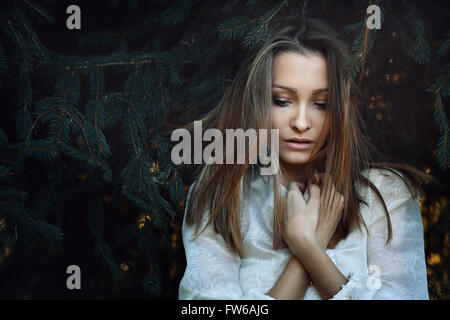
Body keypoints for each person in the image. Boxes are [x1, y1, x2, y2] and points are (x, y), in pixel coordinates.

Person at [177, 12, 435, 300]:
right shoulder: (220, 194)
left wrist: (309, 249)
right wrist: (310, 243)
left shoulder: (386, 195)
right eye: (282, 101)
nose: (301, 122)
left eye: (321, 103)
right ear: (258, 101)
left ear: (339, 109)